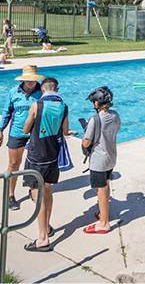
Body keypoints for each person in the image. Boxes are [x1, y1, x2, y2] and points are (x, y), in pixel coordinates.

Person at [22, 77, 76, 252]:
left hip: (36, 157)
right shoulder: (63, 107)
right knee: (47, 191)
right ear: (57, 90)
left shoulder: (37, 105)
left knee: (37, 197)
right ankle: (46, 226)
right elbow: (65, 131)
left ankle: (42, 238)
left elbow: (25, 129)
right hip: (53, 157)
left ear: (43, 90)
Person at [0, 65, 44, 211]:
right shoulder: (14, 92)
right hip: (16, 133)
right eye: (28, 79)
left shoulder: (42, 92)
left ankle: (33, 189)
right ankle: (11, 194)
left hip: (35, 135)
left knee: (35, 164)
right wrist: (0, 131)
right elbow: (7, 112)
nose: (31, 82)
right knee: (14, 164)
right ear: (23, 79)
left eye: (33, 80)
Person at [82, 87, 121, 235]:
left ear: (97, 103)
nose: (93, 105)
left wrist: (87, 128)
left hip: (99, 161)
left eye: (93, 102)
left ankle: (104, 223)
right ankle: (104, 213)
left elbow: (86, 142)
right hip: (111, 157)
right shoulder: (116, 115)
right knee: (106, 184)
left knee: (100, 189)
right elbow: (116, 129)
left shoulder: (95, 119)